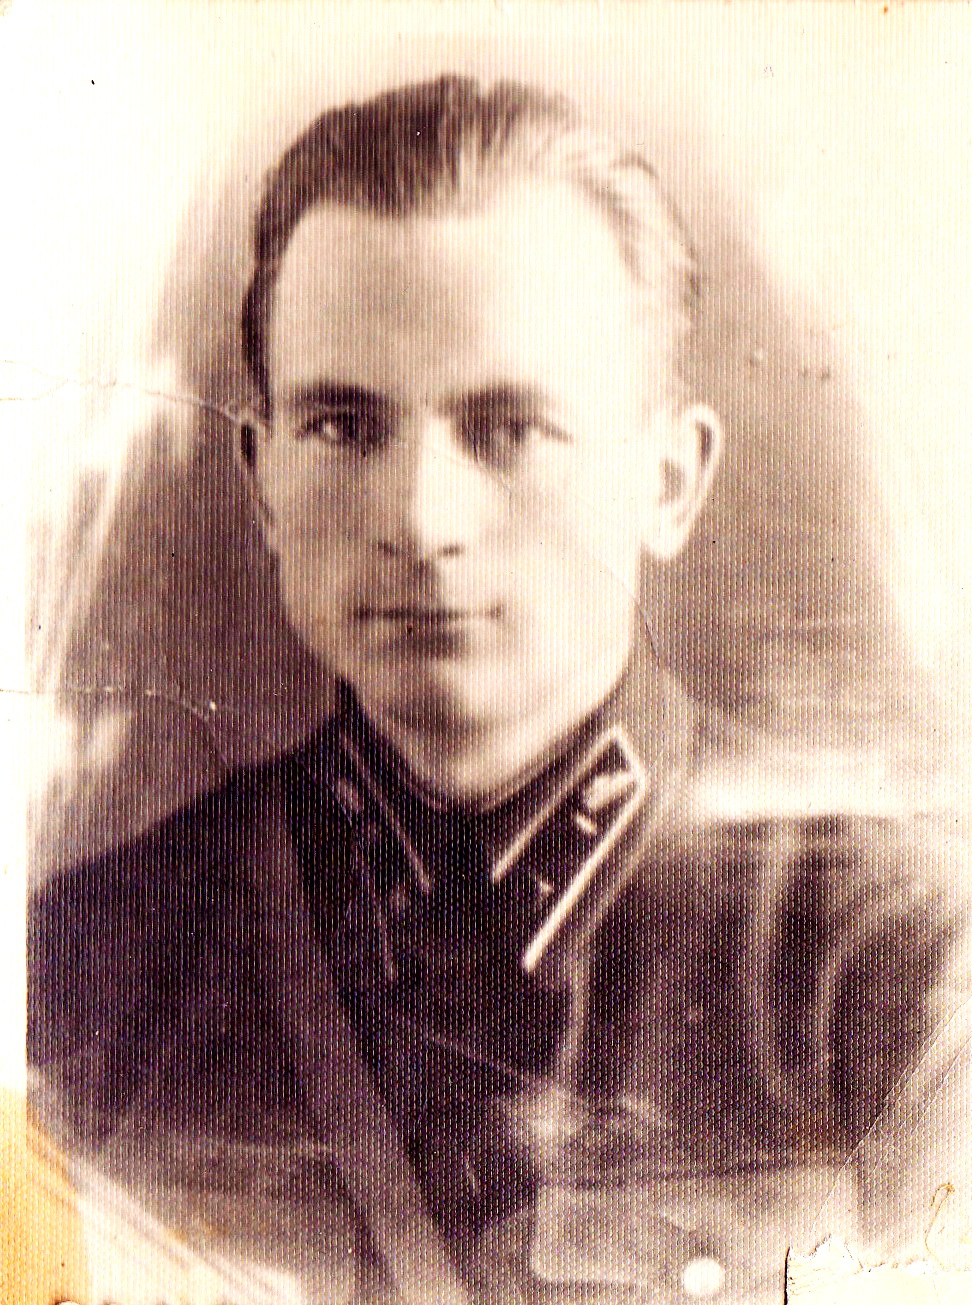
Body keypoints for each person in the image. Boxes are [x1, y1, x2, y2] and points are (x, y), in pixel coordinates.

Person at [28, 76, 971, 1305]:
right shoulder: (85, 967)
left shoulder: (895, 972)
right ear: (261, 480)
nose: (423, 523)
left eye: (509, 428)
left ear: (668, 481)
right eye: (344, 428)